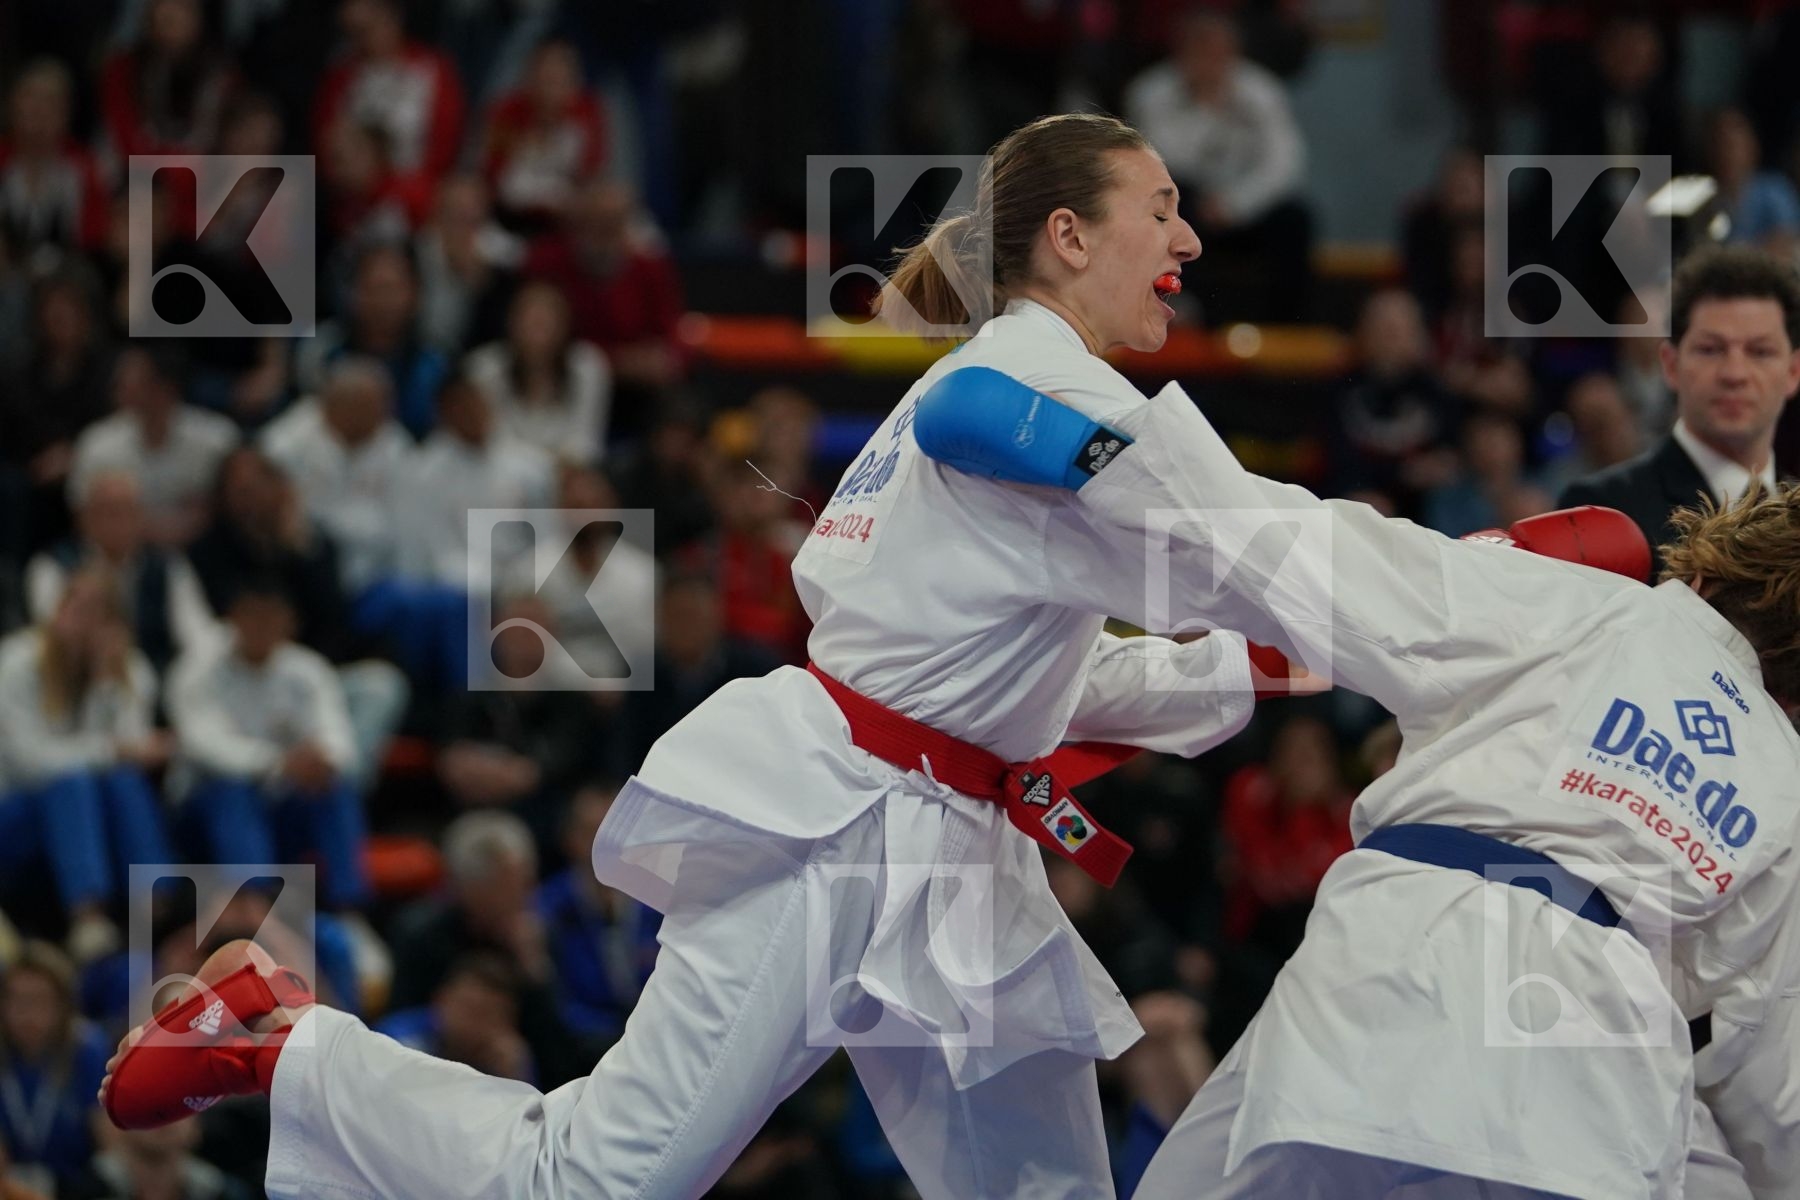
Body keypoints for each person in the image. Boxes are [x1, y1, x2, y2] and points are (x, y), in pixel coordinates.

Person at [101, 114, 1276, 1199]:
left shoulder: (1024, 391)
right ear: (1069, 236)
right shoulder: (1013, 384)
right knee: (601, 1184)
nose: (1188, 233)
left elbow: (1041, 689)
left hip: (949, 851)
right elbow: (1175, 525)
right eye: (1162, 204)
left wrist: (1256, 660)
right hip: (842, 825)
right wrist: (1359, 598)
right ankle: (281, 1037)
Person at [887, 350, 1800, 1193]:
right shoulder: (1787, 784)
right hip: (1599, 1081)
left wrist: (1084, 452)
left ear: (1714, 574)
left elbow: (1314, 556)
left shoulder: (1594, 607)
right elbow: (1774, 1087)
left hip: (1394, 982)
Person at [1559, 245, 1800, 577]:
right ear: (1670, 365)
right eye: (1710, 349)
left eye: (1760, 351)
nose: (1734, 373)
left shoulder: (1795, 515)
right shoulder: (1603, 510)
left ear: (1793, 372)